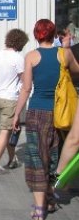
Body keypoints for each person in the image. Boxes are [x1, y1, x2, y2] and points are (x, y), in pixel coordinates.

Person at [12, 19, 79, 219]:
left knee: (36, 158)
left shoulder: (31, 56)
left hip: (37, 113)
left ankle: (39, 208)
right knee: (53, 157)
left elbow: (26, 88)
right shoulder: (64, 54)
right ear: (53, 35)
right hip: (59, 114)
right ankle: (50, 198)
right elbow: (77, 70)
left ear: (36, 34)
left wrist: (16, 114)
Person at [0, 28, 29, 175]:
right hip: (10, 99)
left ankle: (12, 159)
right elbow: (25, 81)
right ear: (21, 43)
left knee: (10, 129)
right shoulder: (18, 58)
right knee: (5, 132)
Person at [56, 39, 79, 176]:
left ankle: (59, 175)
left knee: (68, 138)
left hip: (67, 99)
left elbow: (74, 139)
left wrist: (59, 176)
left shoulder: (71, 51)